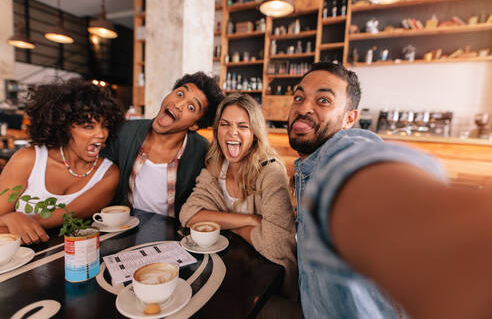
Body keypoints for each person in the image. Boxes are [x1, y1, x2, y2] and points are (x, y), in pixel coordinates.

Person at [289, 61, 492, 318]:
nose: (304, 108)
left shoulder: (339, 150)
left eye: (324, 101)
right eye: (298, 97)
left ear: (350, 118)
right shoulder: (304, 168)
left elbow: (355, 167)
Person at [179, 93, 297, 299]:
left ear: (255, 133)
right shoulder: (215, 167)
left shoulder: (271, 171)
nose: (232, 132)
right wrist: (250, 221)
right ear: (217, 131)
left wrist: (230, 226)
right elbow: (189, 215)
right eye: (225, 124)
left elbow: (280, 245)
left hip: (271, 288)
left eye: (243, 126)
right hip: (228, 273)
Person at [0, 79, 124, 244]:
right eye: (88, 126)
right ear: (63, 127)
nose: (101, 134)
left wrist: (12, 220)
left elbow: (61, 217)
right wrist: (8, 219)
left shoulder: (108, 175)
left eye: (105, 126)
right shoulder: (27, 160)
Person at [102, 72, 224, 218]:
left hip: (173, 236)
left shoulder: (204, 153)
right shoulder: (124, 132)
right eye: (180, 94)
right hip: (125, 230)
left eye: (191, 107)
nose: (178, 105)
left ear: (194, 125)